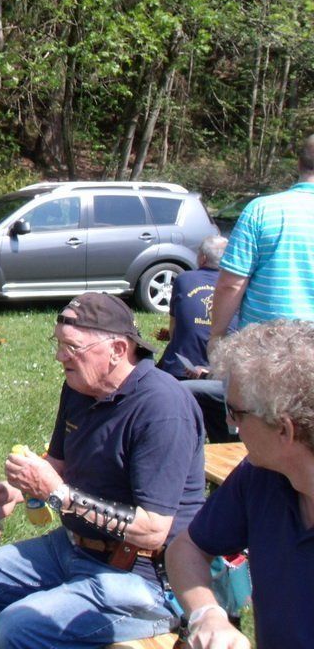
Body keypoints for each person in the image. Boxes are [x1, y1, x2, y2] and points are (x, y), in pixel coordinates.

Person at [0, 292, 206, 648]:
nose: (60, 356)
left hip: (146, 576)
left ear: (117, 350)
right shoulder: (80, 386)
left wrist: (58, 495)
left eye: (71, 347)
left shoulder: (163, 409)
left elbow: (153, 531)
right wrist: (16, 489)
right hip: (76, 546)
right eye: (58, 344)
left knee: (19, 626)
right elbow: (58, 464)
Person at [167, 320, 314, 648]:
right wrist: (208, 615)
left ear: (284, 429)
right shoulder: (261, 475)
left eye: (235, 412)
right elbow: (187, 548)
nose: (229, 422)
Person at [210, 134, 314, 344]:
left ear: (298, 164)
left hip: (263, 349)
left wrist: (217, 336)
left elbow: (231, 284)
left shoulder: (260, 210)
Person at [157, 235, 239, 442]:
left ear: (202, 258)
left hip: (181, 369)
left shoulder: (184, 279)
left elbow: (175, 329)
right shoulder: (238, 287)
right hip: (222, 373)